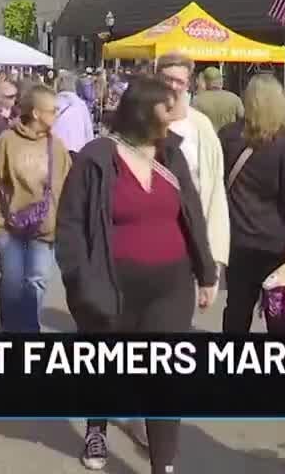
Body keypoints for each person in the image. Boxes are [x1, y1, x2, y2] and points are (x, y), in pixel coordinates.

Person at [55, 75, 218, 473]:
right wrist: (79, 280)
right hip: (111, 284)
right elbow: (71, 225)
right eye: (169, 103)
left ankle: (163, 463)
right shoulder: (97, 156)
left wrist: (207, 272)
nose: (177, 109)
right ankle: (97, 427)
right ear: (146, 110)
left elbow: (192, 214)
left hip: (171, 285)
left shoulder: (171, 155)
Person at [0, 84, 72, 332]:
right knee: (13, 281)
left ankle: (28, 330)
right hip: (8, 225)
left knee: (36, 280)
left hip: (45, 228)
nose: (56, 115)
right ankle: (11, 328)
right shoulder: (7, 141)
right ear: (37, 113)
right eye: (53, 110)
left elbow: (70, 185)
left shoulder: (57, 146)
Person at [219, 74, 285, 333]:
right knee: (278, 312)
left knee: (236, 307)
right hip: (274, 240)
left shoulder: (227, 135)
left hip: (237, 237)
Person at [156, 53, 230, 277]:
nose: (173, 86)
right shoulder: (139, 121)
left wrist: (214, 257)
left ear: (188, 84)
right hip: (146, 234)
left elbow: (215, 190)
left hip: (187, 234)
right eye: (167, 79)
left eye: (179, 81)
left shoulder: (200, 126)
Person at [52, 71, 95, 155]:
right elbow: (89, 133)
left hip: (56, 152)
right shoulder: (81, 105)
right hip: (78, 152)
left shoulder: (52, 103)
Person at [191, 66, 244, 132]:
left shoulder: (197, 100)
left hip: (207, 139)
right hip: (229, 139)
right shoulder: (234, 98)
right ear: (221, 80)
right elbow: (243, 120)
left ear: (205, 82)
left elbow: (191, 123)